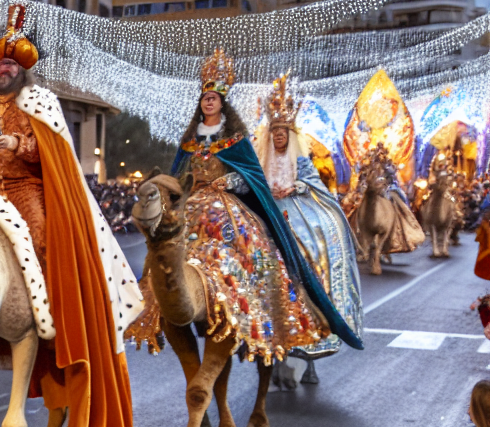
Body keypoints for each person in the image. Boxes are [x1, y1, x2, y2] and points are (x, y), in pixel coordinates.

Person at [0, 2, 143, 427]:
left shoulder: (41, 101)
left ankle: (59, 317)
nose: (3, 69)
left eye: (10, 63)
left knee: (43, 240)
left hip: (27, 191)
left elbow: (51, 153)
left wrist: (19, 142)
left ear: (22, 68)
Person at [138, 48, 362, 358]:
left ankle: (254, 303)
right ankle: (155, 303)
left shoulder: (236, 141)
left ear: (222, 103)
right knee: (165, 246)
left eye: (214, 98)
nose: (209, 101)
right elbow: (178, 174)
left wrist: (228, 182)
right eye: (205, 98)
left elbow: (249, 176)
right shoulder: (189, 141)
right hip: (193, 202)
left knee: (251, 244)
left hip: (226, 203)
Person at [257, 73, 365, 358]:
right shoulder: (262, 161)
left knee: (313, 246)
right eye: (275, 132)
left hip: (296, 210)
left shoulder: (301, 160)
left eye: (283, 132)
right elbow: (254, 183)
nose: (279, 136)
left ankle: (318, 312)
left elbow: (313, 183)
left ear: (290, 135)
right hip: (270, 210)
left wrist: (294, 187)